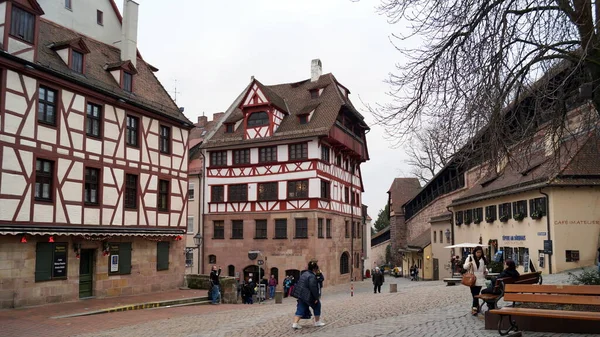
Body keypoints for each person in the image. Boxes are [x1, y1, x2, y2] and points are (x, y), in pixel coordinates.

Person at [291, 261, 325, 330]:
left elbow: (321, 279)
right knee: (317, 305)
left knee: (301, 307)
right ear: (314, 269)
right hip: (307, 295)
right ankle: (317, 322)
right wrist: (316, 298)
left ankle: (295, 323)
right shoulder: (312, 276)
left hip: (301, 295)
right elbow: (313, 288)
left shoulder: (304, 274)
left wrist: (319, 274)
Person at [463, 246, 488, 315]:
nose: (479, 254)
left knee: (476, 293)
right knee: (474, 293)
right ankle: (476, 306)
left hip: (480, 278)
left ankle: (474, 308)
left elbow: (485, 268)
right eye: (477, 252)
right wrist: (469, 263)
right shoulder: (470, 258)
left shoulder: (483, 258)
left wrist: (486, 271)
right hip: (472, 278)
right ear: (475, 252)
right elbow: (464, 267)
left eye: (480, 252)